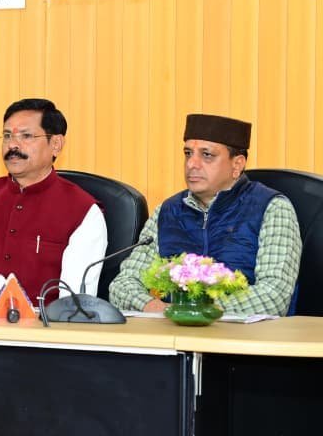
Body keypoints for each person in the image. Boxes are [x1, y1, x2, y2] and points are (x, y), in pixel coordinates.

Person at [110, 114, 302, 316]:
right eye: (188, 153)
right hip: (174, 329)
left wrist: (198, 312)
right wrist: (158, 308)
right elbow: (122, 285)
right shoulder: (167, 212)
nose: (192, 164)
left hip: (245, 334)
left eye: (207, 155)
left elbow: (274, 296)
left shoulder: (271, 209)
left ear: (237, 165)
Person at [0, 99, 107, 301]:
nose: (12, 145)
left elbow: (74, 303)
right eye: (7, 136)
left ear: (56, 144)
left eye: (26, 136)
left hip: (45, 320)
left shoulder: (83, 211)